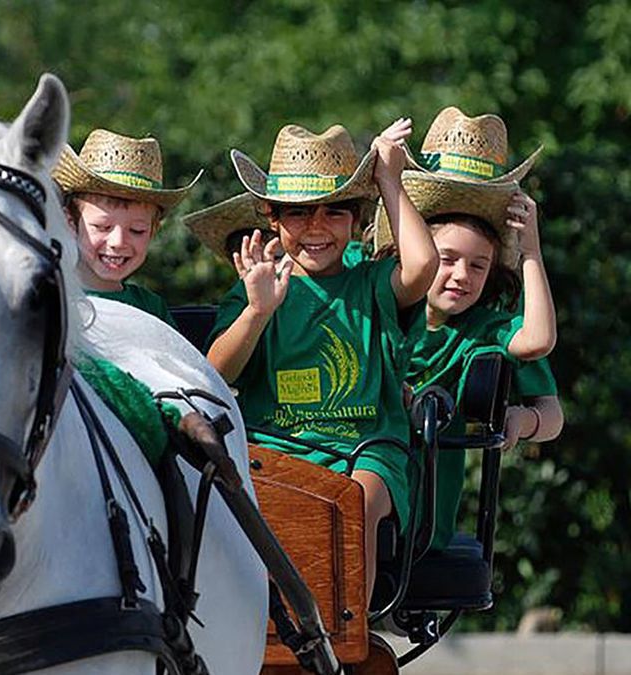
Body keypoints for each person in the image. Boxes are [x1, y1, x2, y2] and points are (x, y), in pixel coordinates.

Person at [203, 119, 437, 599]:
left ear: (356, 218)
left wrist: (388, 179)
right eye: (299, 213)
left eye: (334, 212)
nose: (316, 227)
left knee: (355, 499)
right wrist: (256, 310)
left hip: (363, 448)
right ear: (272, 217)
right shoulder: (259, 285)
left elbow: (423, 268)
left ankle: (347, 637)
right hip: (275, 449)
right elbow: (215, 373)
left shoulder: (370, 282)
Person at [372, 106, 562, 550]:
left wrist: (530, 249)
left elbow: (538, 346)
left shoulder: (485, 329)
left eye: (478, 266)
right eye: (445, 259)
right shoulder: (376, 304)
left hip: (423, 521)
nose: (461, 275)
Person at [53, 129, 200, 327]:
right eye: (103, 227)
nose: (118, 242)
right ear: (70, 222)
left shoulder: (151, 308)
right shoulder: (52, 299)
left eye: (137, 230)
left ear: (152, 231)